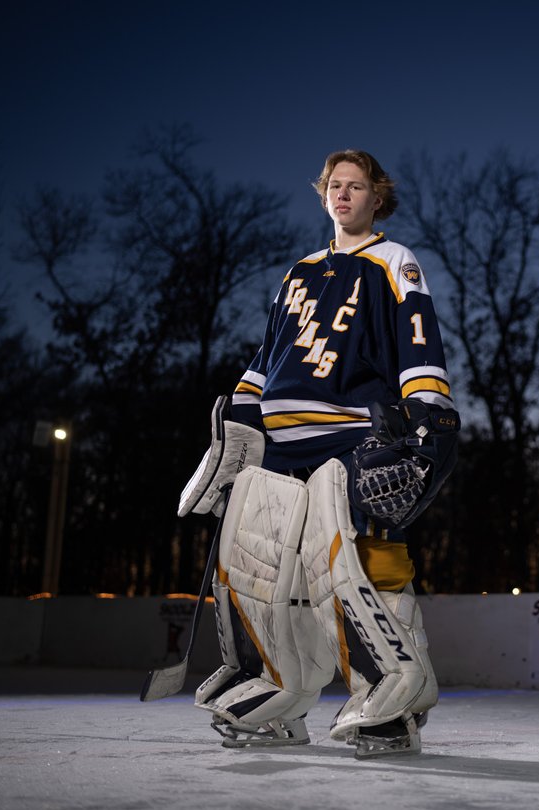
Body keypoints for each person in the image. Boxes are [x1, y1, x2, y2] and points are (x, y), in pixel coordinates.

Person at [176, 149, 459, 758]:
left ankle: (394, 704)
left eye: (356, 186)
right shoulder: (299, 271)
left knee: (361, 565)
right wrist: (240, 418)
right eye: (334, 185)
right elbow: (270, 353)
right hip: (280, 443)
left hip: (353, 436)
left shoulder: (393, 260)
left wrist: (428, 411)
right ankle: (280, 696)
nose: (343, 194)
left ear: (377, 197)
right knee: (266, 572)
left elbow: (416, 336)